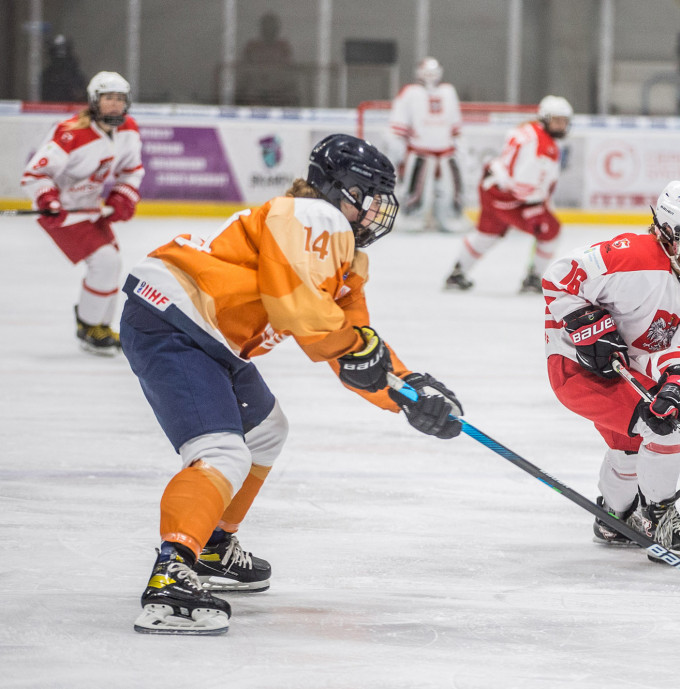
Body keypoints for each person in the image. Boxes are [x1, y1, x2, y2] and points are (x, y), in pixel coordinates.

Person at [122, 134, 465, 635]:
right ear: (341, 189)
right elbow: (302, 312)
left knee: (265, 431)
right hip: (174, 319)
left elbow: (352, 346)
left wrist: (408, 392)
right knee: (221, 452)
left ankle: (212, 545)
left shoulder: (338, 248)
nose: (376, 213)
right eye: (369, 198)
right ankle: (170, 574)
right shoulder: (314, 216)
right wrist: (363, 356)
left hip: (206, 332)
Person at [542, 179, 680, 564]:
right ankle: (657, 517)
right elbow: (560, 275)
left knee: (633, 444)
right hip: (578, 367)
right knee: (666, 426)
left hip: (633, 364)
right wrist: (584, 321)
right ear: (667, 234)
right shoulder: (632, 257)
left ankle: (613, 518)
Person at [21, 70, 143, 356]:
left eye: (120, 98)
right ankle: (88, 327)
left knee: (112, 262)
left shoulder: (128, 129)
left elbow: (131, 170)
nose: (114, 104)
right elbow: (35, 174)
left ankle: (100, 325)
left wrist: (123, 196)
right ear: (94, 101)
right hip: (60, 212)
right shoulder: (71, 132)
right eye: (108, 98)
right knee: (105, 261)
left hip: (89, 208)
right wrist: (48, 199)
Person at [444, 95, 572, 294]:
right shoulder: (543, 146)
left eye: (564, 121)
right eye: (556, 120)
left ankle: (457, 273)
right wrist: (536, 205)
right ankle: (533, 279)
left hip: (493, 188)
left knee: (487, 234)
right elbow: (523, 186)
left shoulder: (530, 129)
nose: (561, 126)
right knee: (550, 230)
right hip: (510, 199)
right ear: (545, 119)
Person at [387, 57, 466, 233]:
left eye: (434, 72)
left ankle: (449, 218)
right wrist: (397, 150)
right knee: (415, 190)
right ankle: (413, 218)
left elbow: (455, 125)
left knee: (450, 190)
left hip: (446, 153)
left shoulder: (448, 92)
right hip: (419, 153)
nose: (430, 76)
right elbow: (398, 124)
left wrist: (460, 147)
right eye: (427, 72)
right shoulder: (410, 93)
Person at [237, 12, 299, 106]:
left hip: (279, 96)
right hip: (254, 96)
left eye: (272, 26)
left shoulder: (283, 47)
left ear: (277, 28)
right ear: (261, 28)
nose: (269, 29)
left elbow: (289, 73)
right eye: (266, 25)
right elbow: (244, 72)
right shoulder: (252, 47)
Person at [40, 34, 88, 103]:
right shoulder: (47, 76)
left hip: (72, 108)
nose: (60, 60)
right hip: (50, 108)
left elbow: (81, 96)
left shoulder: (76, 76)